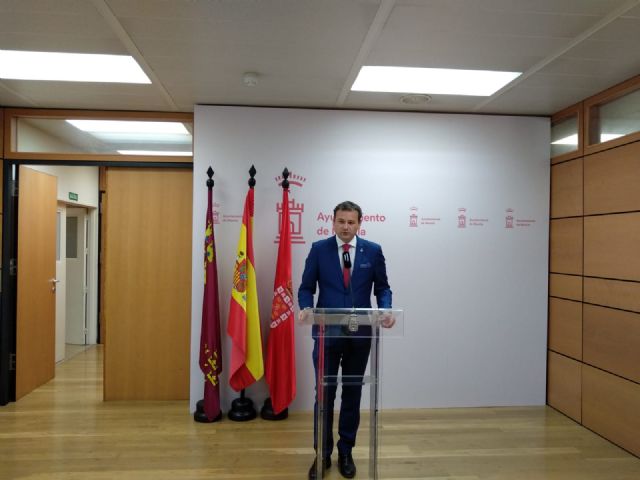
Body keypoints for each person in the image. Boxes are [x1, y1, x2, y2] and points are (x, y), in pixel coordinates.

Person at [298, 201, 392, 479]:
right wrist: (306, 307)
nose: (346, 227)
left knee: (352, 393)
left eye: (351, 222)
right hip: (327, 334)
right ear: (333, 222)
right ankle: (322, 454)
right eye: (341, 221)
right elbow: (306, 288)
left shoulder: (372, 251)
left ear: (359, 223)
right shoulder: (319, 249)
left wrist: (386, 309)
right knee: (324, 395)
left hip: (359, 335)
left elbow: (383, 288)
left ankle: (346, 452)